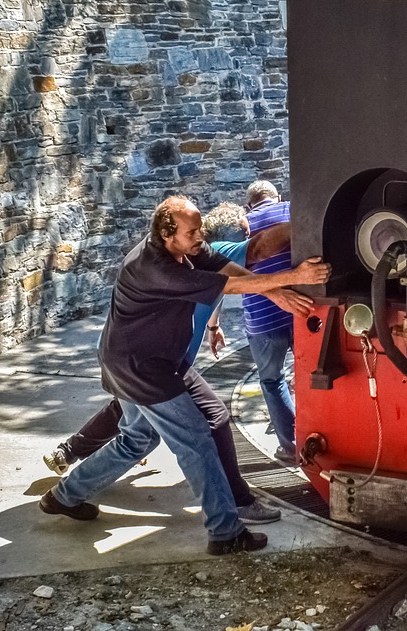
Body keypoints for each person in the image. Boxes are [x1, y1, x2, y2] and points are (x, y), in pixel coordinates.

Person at [39, 196, 329, 555]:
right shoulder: (156, 268)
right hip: (141, 367)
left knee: (144, 438)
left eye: (200, 229)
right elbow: (228, 287)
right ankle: (225, 532)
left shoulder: (187, 248)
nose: (200, 237)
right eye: (192, 231)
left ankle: (63, 497)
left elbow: (226, 269)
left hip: (161, 360)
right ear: (166, 233)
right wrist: (293, 278)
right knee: (196, 440)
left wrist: (276, 291)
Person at [223, 179, 298, 465]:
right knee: (310, 373)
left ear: (249, 204)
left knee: (271, 380)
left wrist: (213, 324)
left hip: (260, 319)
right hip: (299, 310)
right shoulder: (291, 212)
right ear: (276, 197)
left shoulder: (241, 226)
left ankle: (291, 447)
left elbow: (225, 274)